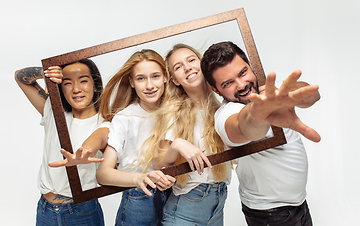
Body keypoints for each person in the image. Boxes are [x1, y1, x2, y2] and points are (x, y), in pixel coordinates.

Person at [200, 41, 321, 226]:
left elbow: (313, 96)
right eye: (228, 83)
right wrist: (259, 113)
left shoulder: (272, 92)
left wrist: (290, 93)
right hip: (270, 215)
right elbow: (246, 127)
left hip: (299, 204)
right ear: (216, 90)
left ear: (250, 65)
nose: (241, 85)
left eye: (243, 73)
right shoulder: (225, 115)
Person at [15, 59, 108, 226]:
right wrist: (45, 73)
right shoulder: (53, 110)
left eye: (83, 80)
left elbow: (99, 138)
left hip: (82, 212)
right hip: (45, 209)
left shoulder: (105, 124)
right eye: (67, 82)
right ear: (60, 88)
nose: (76, 89)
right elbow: (20, 77)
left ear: (95, 85)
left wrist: (82, 154)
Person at [146, 44, 232, 226]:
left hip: (218, 204)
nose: (187, 67)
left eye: (191, 60)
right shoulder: (173, 110)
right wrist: (177, 144)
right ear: (175, 80)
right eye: (178, 67)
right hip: (185, 208)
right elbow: (161, 166)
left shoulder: (225, 106)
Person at [94, 49, 175, 226]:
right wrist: (138, 179)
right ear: (131, 82)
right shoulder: (124, 118)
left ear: (165, 77)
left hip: (174, 198)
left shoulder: (175, 112)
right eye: (141, 78)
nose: (149, 85)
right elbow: (103, 173)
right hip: (138, 199)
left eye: (155, 76)